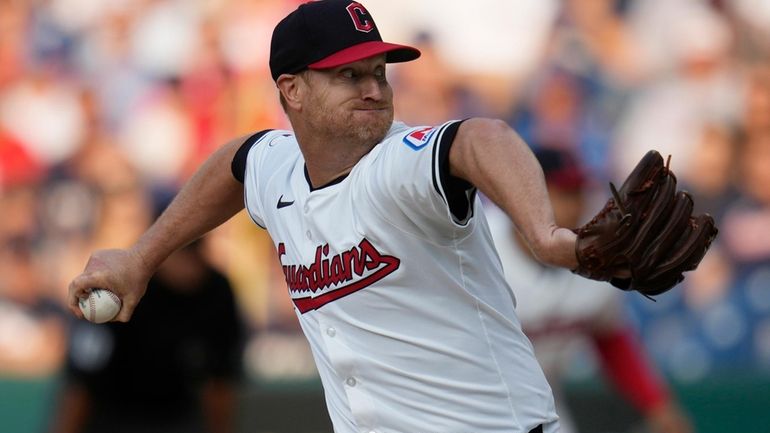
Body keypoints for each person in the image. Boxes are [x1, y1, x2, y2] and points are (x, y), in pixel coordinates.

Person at [67, 1, 622, 432]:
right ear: (293, 89)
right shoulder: (277, 166)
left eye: (378, 72)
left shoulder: (399, 166)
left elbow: (482, 137)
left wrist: (547, 236)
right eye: (348, 75)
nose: (373, 89)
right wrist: (141, 257)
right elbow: (234, 167)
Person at [486, 148, 692, 433]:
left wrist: (657, 406)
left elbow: (610, 338)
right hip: (455, 404)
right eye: (562, 191)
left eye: (578, 190)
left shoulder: (596, 260)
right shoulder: (475, 247)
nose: (576, 204)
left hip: (539, 406)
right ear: (518, 194)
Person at [54, 236, 244, 433]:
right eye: (180, 254)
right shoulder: (120, 286)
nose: (188, 268)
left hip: (177, 416)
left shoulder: (214, 291)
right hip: (114, 416)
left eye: (193, 254)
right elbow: (80, 386)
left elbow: (221, 383)